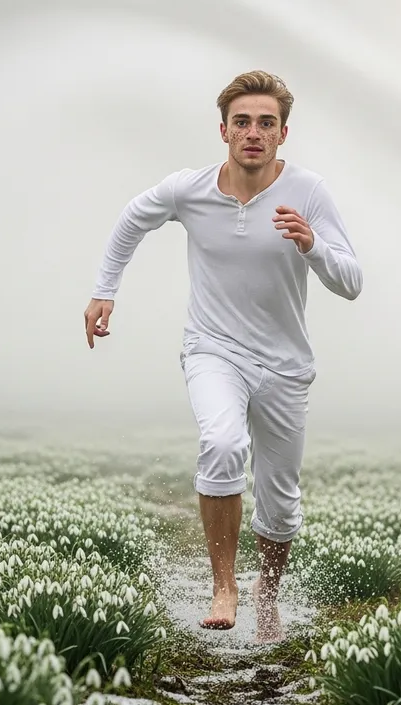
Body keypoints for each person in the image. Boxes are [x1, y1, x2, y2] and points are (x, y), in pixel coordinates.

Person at [84, 70, 362, 643]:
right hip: (213, 349)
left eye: (266, 123)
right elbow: (132, 219)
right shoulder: (191, 189)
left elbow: (353, 281)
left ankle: (267, 586)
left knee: (281, 503)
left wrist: (313, 246)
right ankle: (224, 585)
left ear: (283, 134)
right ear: (223, 130)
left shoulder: (308, 192)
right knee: (222, 442)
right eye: (242, 122)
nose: (253, 133)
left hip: (285, 365)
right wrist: (104, 290)